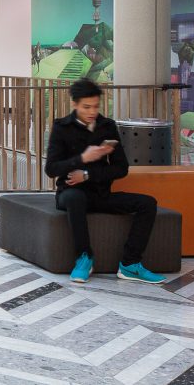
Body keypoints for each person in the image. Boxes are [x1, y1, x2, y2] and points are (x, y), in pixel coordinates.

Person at [44, 79, 164, 284]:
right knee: (75, 197)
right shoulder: (61, 127)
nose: (92, 112)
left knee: (148, 203)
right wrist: (83, 158)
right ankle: (84, 257)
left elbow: (121, 168)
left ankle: (130, 264)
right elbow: (51, 169)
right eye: (86, 107)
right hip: (69, 194)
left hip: (101, 194)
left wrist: (88, 174)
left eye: (96, 106)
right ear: (74, 104)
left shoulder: (107, 127)